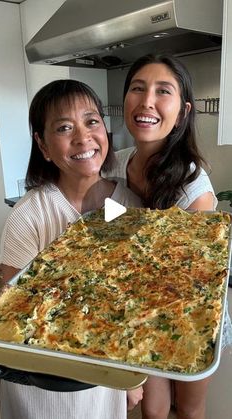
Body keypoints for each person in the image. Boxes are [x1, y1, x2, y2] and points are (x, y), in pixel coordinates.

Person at [0, 79, 143, 419]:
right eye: (64, 127)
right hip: (42, 388)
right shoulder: (29, 215)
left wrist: (131, 377)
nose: (82, 137)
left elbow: (135, 302)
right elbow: (12, 316)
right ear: (43, 145)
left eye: (91, 121)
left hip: (104, 380)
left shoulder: (130, 204)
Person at [104, 53, 232, 419]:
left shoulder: (195, 188)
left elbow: (190, 284)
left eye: (163, 91)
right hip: (138, 306)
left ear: (183, 110)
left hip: (190, 315)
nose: (147, 102)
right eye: (137, 89)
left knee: (189, 411)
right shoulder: (114, 165)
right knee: (153, 409)